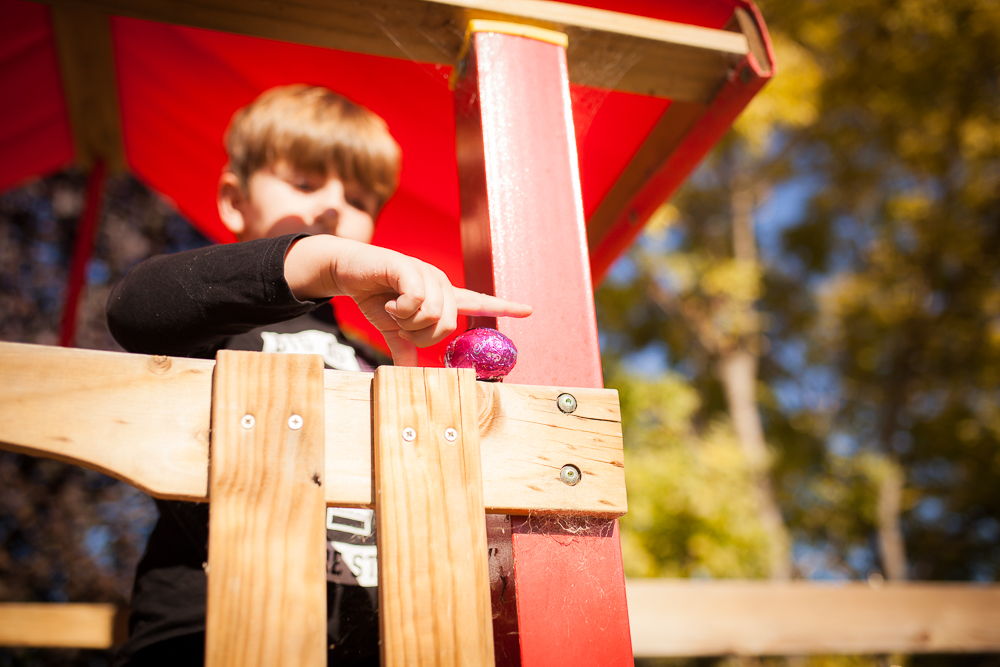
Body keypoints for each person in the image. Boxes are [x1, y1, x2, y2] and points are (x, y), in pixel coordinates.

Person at [107, 84, 531, 666]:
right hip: (201, 635)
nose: (333, 206)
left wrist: (414, 381)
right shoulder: (210, 330)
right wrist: (321, 261)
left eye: (357, 198)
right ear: (234, 201)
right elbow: (135, 308)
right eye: (304, 184)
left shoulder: (374, 361)